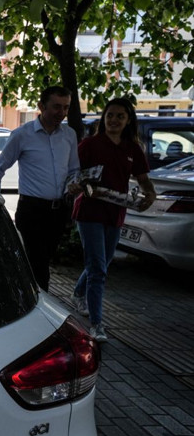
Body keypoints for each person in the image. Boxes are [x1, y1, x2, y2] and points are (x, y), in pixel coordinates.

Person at [70, 98, 155, 342]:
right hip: (89, 213)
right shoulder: (89, 145)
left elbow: (143, 179)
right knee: (98, 269)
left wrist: (150, 193)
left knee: (101, 264)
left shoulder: (132, 149)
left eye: (119, 116)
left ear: (128, 120)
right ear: (103, 118)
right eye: (110, 115)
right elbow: (75, 177)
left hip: (116, 214)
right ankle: (97, 324)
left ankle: (78, 293)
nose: (114, 120)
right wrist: (83, 188)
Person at [0, 85, 81, 291]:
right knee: (39, 265)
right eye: (56, 107)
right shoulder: (23, 135)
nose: (62, 113)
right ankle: (39, 306)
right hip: (32, 210)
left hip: (58, 212)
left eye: (66, 108)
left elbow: (74, 169)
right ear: (41, 106)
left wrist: (72, 184)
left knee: (42, 262)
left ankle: (22, 295)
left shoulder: (69, 135)